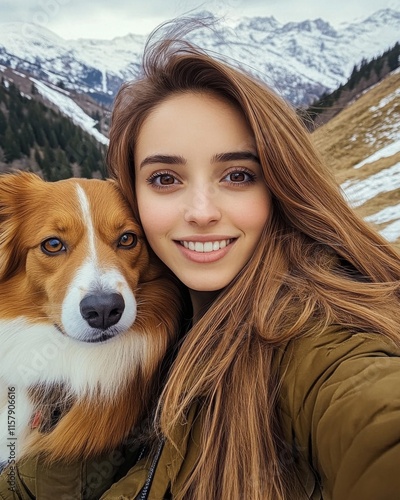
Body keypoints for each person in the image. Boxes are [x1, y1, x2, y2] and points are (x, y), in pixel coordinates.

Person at [1, 19, 400, 500]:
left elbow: (370, 414)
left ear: (280, 181)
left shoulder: (318, 332)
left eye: (236, 174)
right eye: (166, 179)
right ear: (136, 194)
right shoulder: (167, 314)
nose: (202, 213)